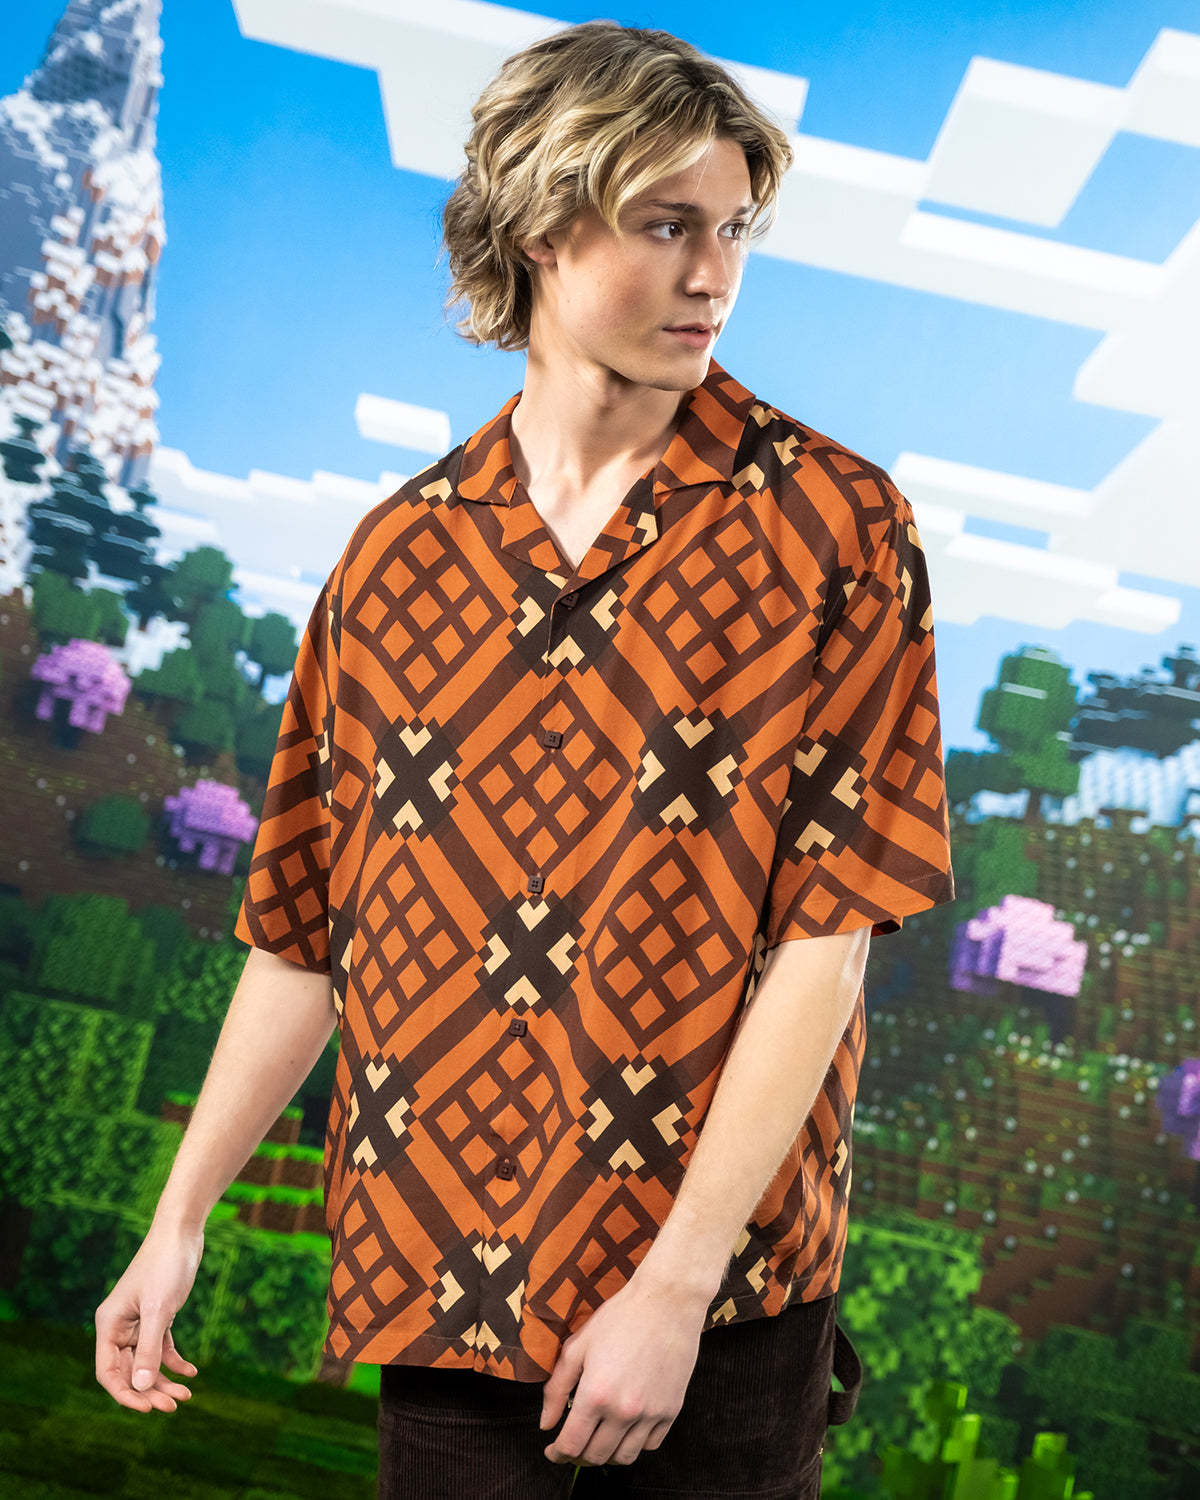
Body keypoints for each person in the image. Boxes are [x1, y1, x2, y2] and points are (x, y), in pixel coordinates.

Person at [94, 19, 956, 1499]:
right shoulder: (394, 557)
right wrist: (178, 1220)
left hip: (722, 1309)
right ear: (542, 228)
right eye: (667, 225)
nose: (714, 274)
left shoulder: (836, 525)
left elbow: (830, 939)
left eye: (733, 229)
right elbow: (306, 935)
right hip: (439, 1286)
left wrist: (675, 1286)